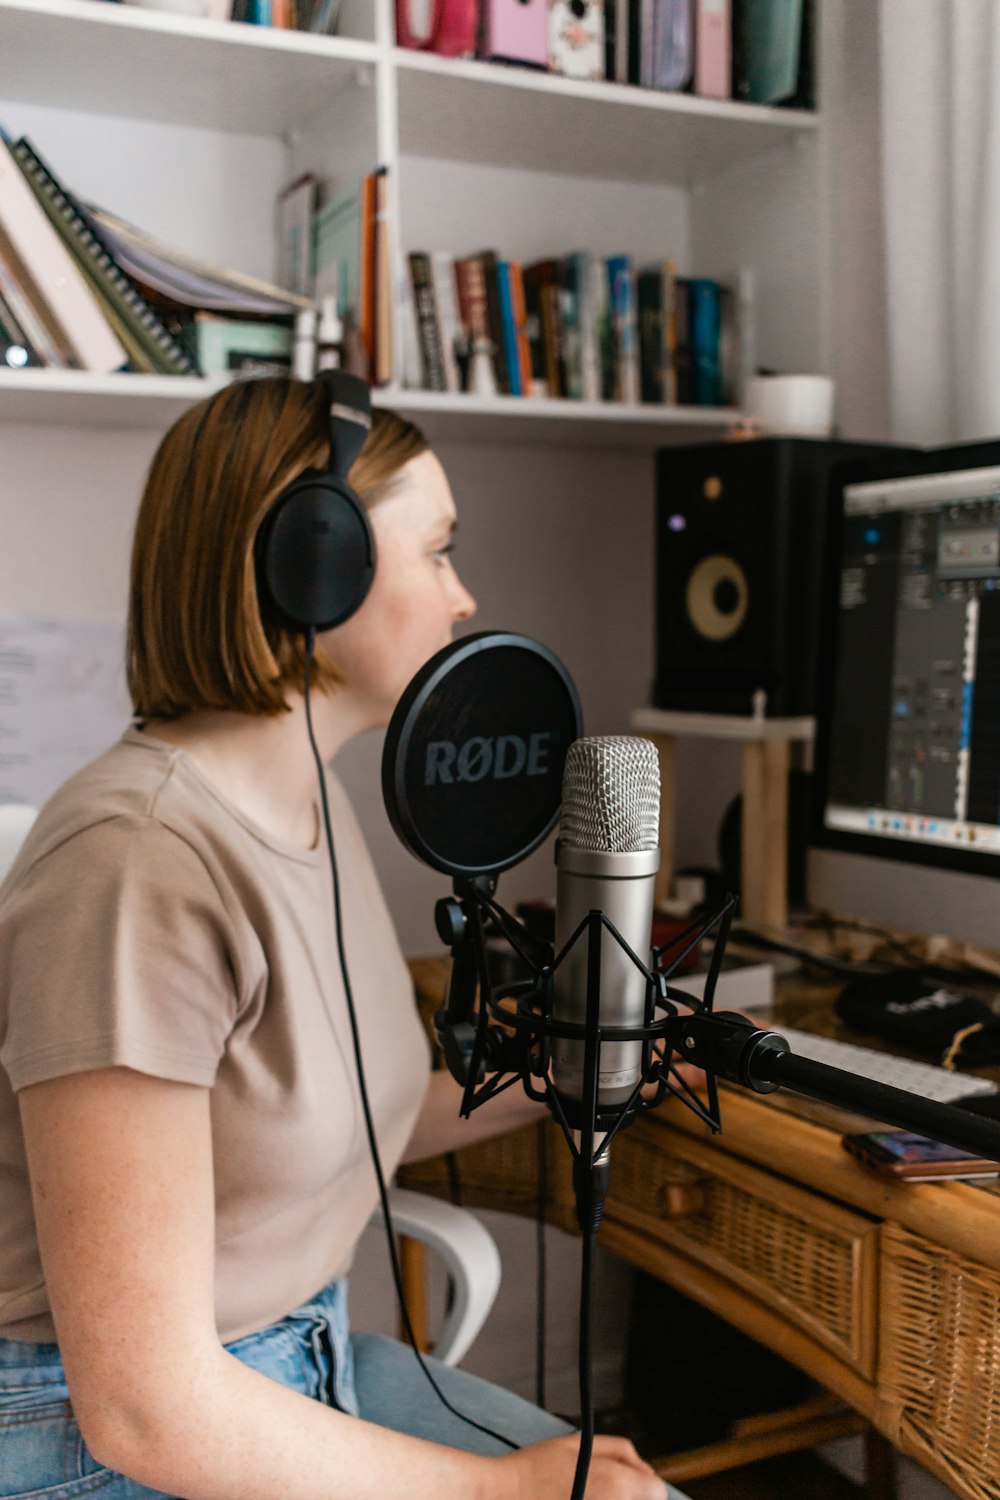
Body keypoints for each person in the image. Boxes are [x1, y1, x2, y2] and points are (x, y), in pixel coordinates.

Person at [0, 374, 682, 1500]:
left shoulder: (308, 803)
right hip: (96, 1440)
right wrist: (502, 1492)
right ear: (316, 568)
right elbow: (142, 1409)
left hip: (289, 1366)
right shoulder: (136, 864)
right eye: (439, 552)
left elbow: (325, 1120)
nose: (464, 599)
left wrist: (585, 1064)